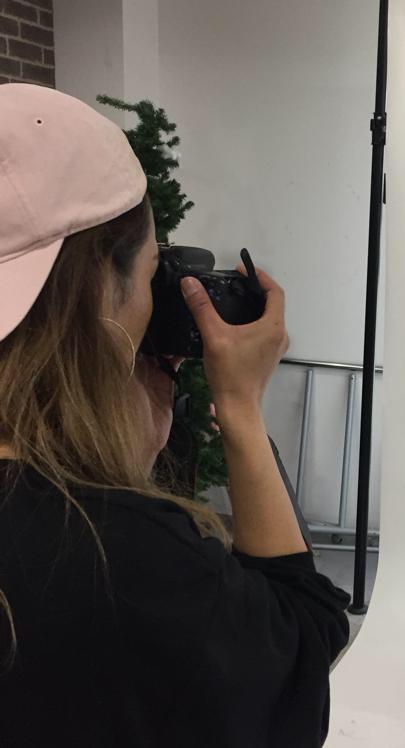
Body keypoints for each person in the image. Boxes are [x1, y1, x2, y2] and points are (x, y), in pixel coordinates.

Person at [0, 83, 351, 747]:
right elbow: (297, 658)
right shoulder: (123, 553)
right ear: (101, 289)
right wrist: (240, 408)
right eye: (151, 272)